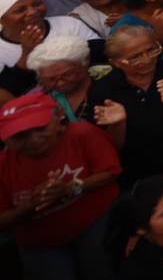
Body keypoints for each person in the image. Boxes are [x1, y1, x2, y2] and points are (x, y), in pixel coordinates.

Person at [0, 92, 121, 280]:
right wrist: (30, 206)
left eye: (40, 128)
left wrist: (71, 187)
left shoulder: (83, 134)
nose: (33, 139)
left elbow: (111, 172)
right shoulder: (3, 165)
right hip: (42, 245)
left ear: (58, 119)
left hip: (95, 225)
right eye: (20, 135)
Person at [89, 25, 163, 187]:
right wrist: (118, 123)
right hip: (137, 176)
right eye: (135, 57)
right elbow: (111, 148)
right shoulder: (104, 90)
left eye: (151, 50)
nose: (147, 59)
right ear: (115, 62)